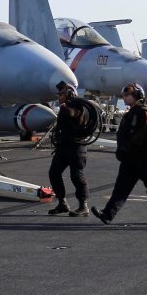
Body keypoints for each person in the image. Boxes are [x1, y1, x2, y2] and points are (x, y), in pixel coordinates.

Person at [92, 84, 147, 225]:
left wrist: (128, 146)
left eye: (128, 95)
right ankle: (107, 214)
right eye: (125, 95)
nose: (125, 97)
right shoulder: (132, 112)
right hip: (129, 159)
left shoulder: (142, 111)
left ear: (137, 96)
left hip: (142, 159)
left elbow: (142, 132)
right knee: (120, 188)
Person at [48, 81, 91, 217]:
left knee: (77, 176)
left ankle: (83, 206)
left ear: (69, 94)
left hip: (76, 147)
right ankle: (62, 203)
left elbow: (73, 114)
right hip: (63, 147)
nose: (59, 97)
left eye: (61, 94)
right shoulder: (64, 107)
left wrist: (64, 107)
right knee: (54, 173)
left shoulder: (78, 106)